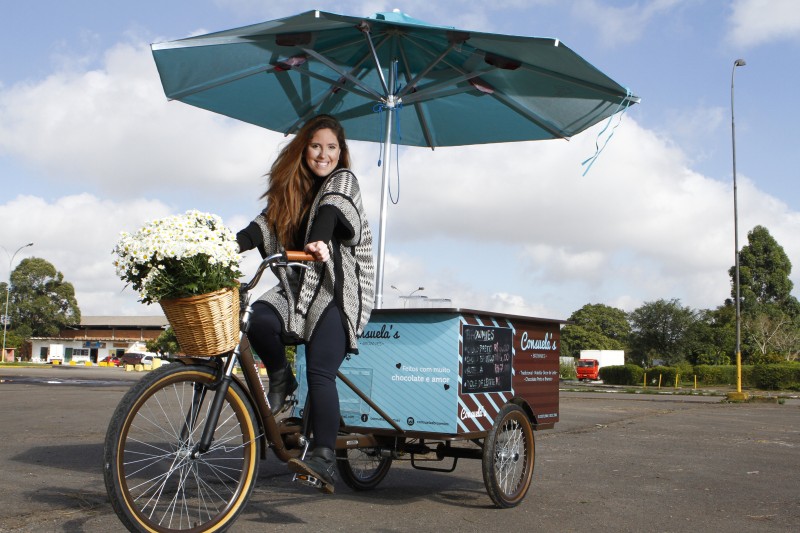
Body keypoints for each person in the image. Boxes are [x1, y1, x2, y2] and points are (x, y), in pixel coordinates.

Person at [236, 114, 374, 494]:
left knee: (320, 371)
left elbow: (332, 210)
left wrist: (319, 240)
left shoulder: (343, 180)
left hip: (337, 290)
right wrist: (223, 247)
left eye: (331, 147)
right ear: (304, 148)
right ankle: (281, 375)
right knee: (257, 319)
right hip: (297, 289)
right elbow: (261, 228)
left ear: (340, 152)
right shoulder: (289, 190)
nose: (323, 154)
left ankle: (324, 457)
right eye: (316, 146)